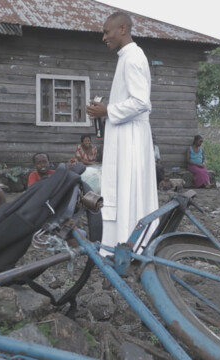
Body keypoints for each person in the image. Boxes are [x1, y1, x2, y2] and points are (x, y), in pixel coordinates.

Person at [86, 12, 159, 254]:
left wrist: (108, 109)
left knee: (129, 192)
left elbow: (141, 102)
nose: (104, 37)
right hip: (123, 134)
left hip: (131, 138)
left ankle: (131, 247)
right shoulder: (125, 57)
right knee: (120, 190)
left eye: (108, 32)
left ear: (123, 29)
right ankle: (118, 246)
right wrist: (105, 112)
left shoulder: (133, 57)